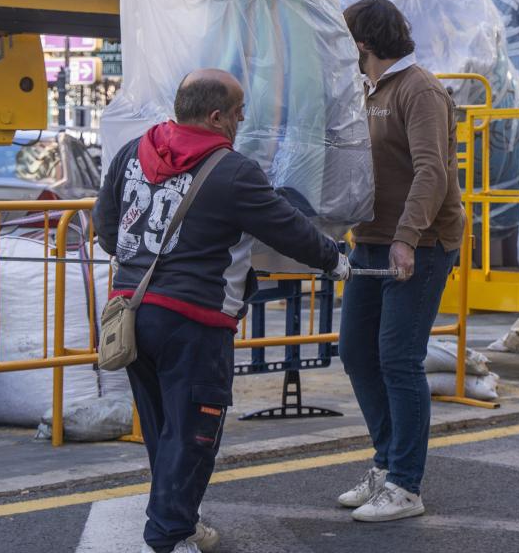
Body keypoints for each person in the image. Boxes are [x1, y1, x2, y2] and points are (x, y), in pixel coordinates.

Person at [94, 69, 351, 553]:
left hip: (129, 314)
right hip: (192, 323)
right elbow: (288, 228)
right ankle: (169, 534)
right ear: (215, 116)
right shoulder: (232, 171)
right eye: (238, 113)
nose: (242, 121)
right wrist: (334, 260)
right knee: (195, 432)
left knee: (163, 430)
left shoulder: (133, 152)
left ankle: (178, 519)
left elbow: (107, 225)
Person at [336, 0, 467, 524]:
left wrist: (408, 237)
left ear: (362, 44)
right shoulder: (367, 91)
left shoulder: (420, 90)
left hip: (420, 244)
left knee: (397, 359)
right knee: (355, 353)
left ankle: (405, 485)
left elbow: (431, 172)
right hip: (370, 238)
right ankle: (386, 464)